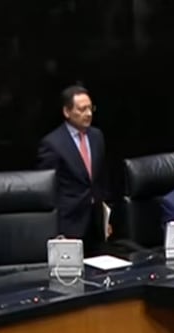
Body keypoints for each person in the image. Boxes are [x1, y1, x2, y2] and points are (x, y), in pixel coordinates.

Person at [38, 84, 110, 243]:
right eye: (82, 109)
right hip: (70, 222)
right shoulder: (52, 144)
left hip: (96, 221)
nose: (89, 114)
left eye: (91, 108)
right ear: (67, 112)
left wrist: (105, 214)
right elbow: (49, 189)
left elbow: (100, 178)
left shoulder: (97, 136)